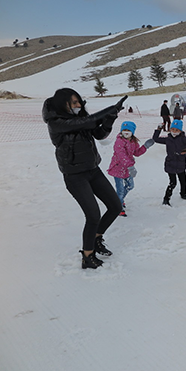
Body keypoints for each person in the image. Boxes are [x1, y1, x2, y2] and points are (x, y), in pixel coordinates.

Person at [42, 88, 127, 269]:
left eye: (79, 101)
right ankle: (87, 256)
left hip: (93, 170)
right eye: (74, 103)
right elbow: (86, 122)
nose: (79, 105)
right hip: (74, 176)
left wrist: (110, 119)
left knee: (115, 206)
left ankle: (96, 238)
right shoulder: (56, 122)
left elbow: (99, 134)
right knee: (93, 215)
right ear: (62, 104)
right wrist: (110, 108)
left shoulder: (81, 118)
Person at [107, 121, 154, 217]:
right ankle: (118, 207)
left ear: (132, 131)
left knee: (130, 186)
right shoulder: (119, 141)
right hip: (118, 168)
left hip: (127, 169)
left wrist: (145, 146)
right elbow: (121, 155)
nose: (126, 132)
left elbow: (136, 153)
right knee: (120, 190)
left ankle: (118, 200)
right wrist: (130, 166)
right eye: (124, 130)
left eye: (128, 130)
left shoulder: (133, 142)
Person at [153, 119, 186, 206]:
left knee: (183, 181)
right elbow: (155, 139)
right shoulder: (168, 139)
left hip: (181, 164)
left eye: (176, 130)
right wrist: (158, 129)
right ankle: (166, 199)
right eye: (173, 129)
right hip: (170, 164)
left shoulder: (183, 139)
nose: (174, 132)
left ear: (180, 131)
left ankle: (183, 194)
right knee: (173, 183)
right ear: (170, 129)